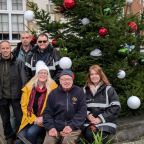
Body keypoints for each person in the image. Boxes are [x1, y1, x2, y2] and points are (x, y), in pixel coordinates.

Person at [16, 60, 58, 144]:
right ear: (37, 74)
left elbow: (55, 106)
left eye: (45, 73)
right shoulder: (29, 87)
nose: (43, 74)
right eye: (41, 72)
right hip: (30, 118)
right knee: (21, 136)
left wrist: (43, 118)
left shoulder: (53, 87)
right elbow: (24, 106)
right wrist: (34, 119)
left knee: (30, 133)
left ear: (48, 75)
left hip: (45, 120)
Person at [43, 69, 87, 144]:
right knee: (48, 142)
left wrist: (71, 126)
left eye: (68, 79)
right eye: (63, 79)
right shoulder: (53, 94)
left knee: (67, 142)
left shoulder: (79, 92)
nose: (66, 82)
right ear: (60, 81)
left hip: (73, 127)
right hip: (56, 127)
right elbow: (47, 113)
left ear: (72, 80)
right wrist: (51, 127)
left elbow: (82, 112)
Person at [82, 65, 121, 143]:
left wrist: (100, 119)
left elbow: (116, 107)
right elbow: (80, 107)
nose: (94, 76)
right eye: (92, 74)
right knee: (89, 135)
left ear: (100, 75)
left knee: (100, 136)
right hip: (89, 122)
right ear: (89, 76)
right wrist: (88, 115)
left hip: (106, 122)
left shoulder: (109, 89)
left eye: (96, 74)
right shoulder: (84, 90)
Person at [0, 40, 27, 144]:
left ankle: (19, 136)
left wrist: (23, 94)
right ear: (0, 49)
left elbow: (23, 78)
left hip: (16, 95)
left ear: (10, 49)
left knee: (19, 118)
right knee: (5, 119)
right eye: (3, 48)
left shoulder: (18, 61)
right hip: (2, 95)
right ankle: (9, 137)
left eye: (7, 48)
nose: (5, 50)